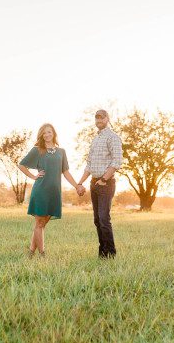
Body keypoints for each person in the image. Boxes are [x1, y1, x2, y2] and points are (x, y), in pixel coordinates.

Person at [18, 123, 84, 257]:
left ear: (53, 133)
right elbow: (21, 165)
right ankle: (42, 254)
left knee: (42, 224)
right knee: (39, 223)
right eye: (44, 133)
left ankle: (31, 251)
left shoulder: (61, 152)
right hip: (41, 190)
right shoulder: (37, 150)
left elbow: (65, 172)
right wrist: (34, 176)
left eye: (49, 132)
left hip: (54, 192)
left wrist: (77, 185)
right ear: (41, 135)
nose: (47, 135)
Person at [76, 109, 123, 258]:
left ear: (107, 119)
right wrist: (80, 183)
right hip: (93, 183)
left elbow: (117, 161)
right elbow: (89, 165)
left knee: (104, 219)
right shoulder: (95, 140)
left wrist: (104, 180)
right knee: (97, 220)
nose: (99, 121)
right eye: (97, 118)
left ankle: (111, 253)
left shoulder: (113, 137)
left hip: (105, 184)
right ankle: (102, 253)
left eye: (102, 118)